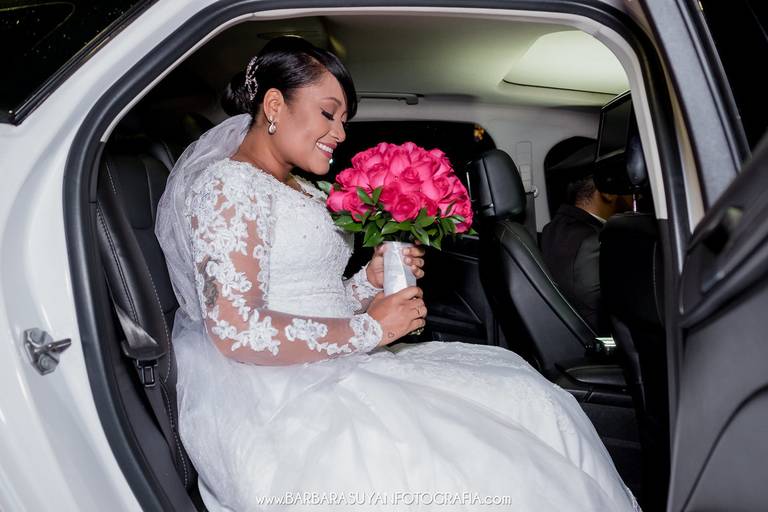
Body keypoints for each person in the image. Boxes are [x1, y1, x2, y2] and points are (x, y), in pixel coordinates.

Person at [155, 36, 639, 511]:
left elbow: (310, 297)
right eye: (328, 113)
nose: (340, 134)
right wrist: (372, 328)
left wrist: (368, 280)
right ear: (275, 105)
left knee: (528, 397)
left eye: (344, 120)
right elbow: (237, 329)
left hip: (331, 361)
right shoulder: (228, 186)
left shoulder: (300, 185)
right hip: (282, 389)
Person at [540, 175, 633, 335]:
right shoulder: (595, 242)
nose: (636, 195)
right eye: (629, 188)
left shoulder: (552, 228)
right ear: (607, 193)